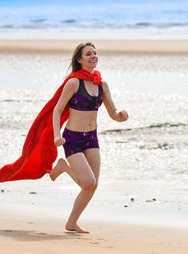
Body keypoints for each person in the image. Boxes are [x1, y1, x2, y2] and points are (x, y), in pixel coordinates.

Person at [50, 42, 128, 233]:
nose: (93, 56)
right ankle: (65, 167)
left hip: (91, 138)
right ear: (80, 60)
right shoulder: (74, 83)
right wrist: (56, 136)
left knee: (92, 185)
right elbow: (57, 109)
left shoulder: (102, 85)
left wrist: (121, 116)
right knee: (89, 182)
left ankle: (71, 223)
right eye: (88, 54)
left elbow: (113, 112)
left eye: (95, 53)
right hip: (73, 139)